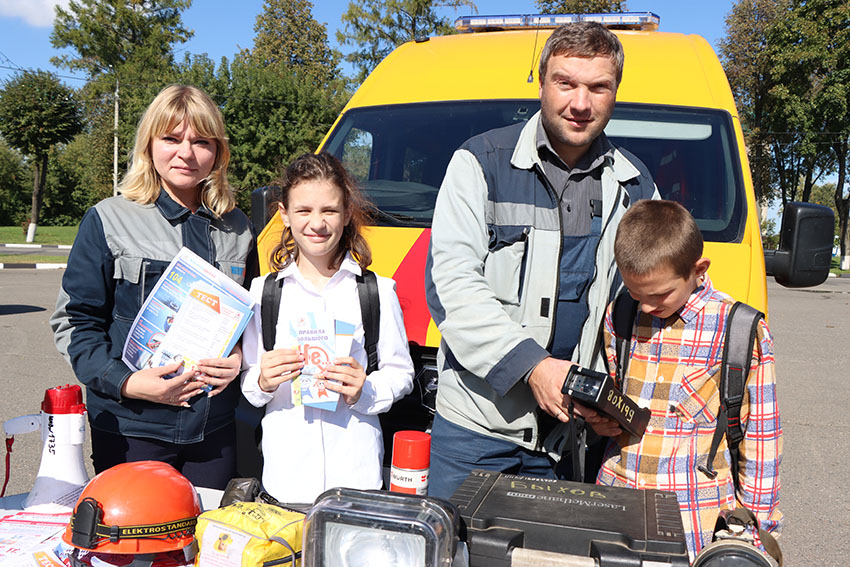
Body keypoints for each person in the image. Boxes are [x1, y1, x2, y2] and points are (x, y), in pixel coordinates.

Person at [424, 22, 658, 499]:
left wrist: (611, 398)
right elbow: (451, 286)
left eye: (598, 87)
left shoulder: (638, 186)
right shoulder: (480, 161)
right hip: (476, 431)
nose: (580, 103)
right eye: (565, 82)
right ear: (540, 81)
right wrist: (534, 367)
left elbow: (644, 307)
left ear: (615, 92)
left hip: (572, 438)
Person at [51, 84, 257, 489]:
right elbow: (76, 323)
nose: (186, 152)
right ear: (149, 143)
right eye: (171, 138)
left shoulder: (239, 228)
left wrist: (240, 358)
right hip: (132, 428)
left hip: (213, 432)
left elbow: (254, 321)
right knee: (134, 544)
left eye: (201, 141)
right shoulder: (109, 219)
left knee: (202, 543)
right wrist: (126, 382)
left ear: (217, 152)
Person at [592, 199, 782, 559]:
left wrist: (754, 536)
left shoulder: (739, 330)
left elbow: (762, 442)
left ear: (698, 269)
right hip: (616, 507)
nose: (647, 306)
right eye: (636, 292)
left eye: (660, 294)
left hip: (695, 522)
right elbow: (617, 396)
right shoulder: (621, 313)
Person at [240, 152, 414, 503]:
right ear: (284, 215)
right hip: (285, 480)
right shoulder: (264, 293)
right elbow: (247, 381)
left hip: (357, 476)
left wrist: (364, 390)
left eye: (329, 211)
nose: (317, 223)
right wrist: (262, 379)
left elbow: (401, 373)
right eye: (303, 211)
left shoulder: (376, 291)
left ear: (347, 214)